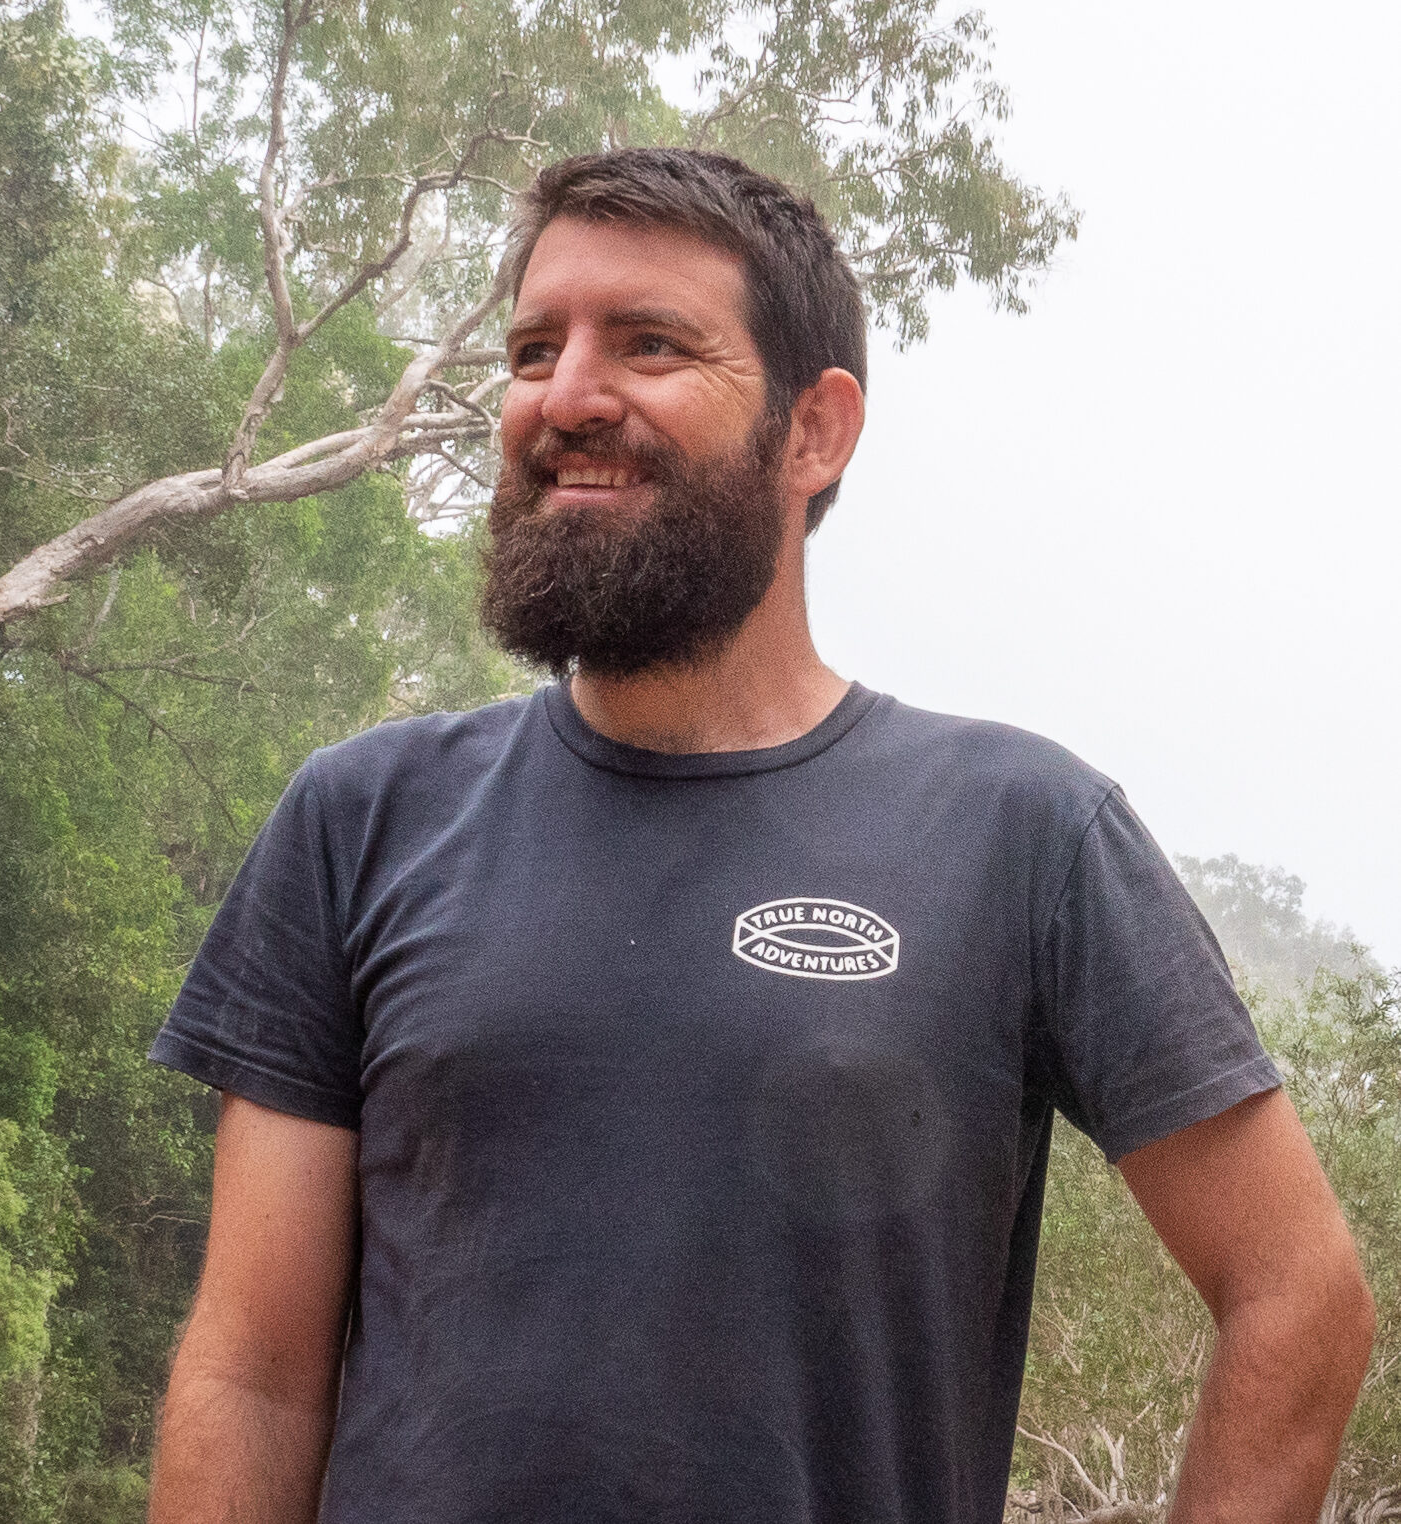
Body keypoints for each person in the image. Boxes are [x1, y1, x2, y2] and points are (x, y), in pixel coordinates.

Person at [146, 149, 1373, 1524]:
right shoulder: (361, 821)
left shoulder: (1025, 835)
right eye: (535, 348)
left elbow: (1298, 1302)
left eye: (651, 345)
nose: (565, 396)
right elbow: (254, 1374)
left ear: (815, 432)